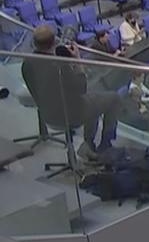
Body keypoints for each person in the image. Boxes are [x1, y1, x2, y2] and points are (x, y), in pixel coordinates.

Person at [23, 25, 122, 160]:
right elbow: (81, 87)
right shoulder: (59, 66)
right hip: (70, 114)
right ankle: (104, 146)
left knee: (94, 99)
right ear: (54, 42)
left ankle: (88, 144)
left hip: (47, 112)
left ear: (34, 43)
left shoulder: (27, 63)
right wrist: (77, 60)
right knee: (114, 98)